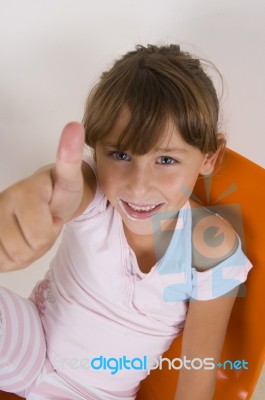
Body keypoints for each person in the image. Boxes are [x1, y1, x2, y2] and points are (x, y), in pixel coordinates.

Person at [0, 44, 252, 400]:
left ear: (209, 157)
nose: (138, 185)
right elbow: (61, 188)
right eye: (120, 155)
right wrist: (32, 196)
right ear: (95, 148)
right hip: (31, 344)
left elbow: (198, 372)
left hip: (97, 393)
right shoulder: (93, 193)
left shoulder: (211, 250)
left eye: (165, 159)